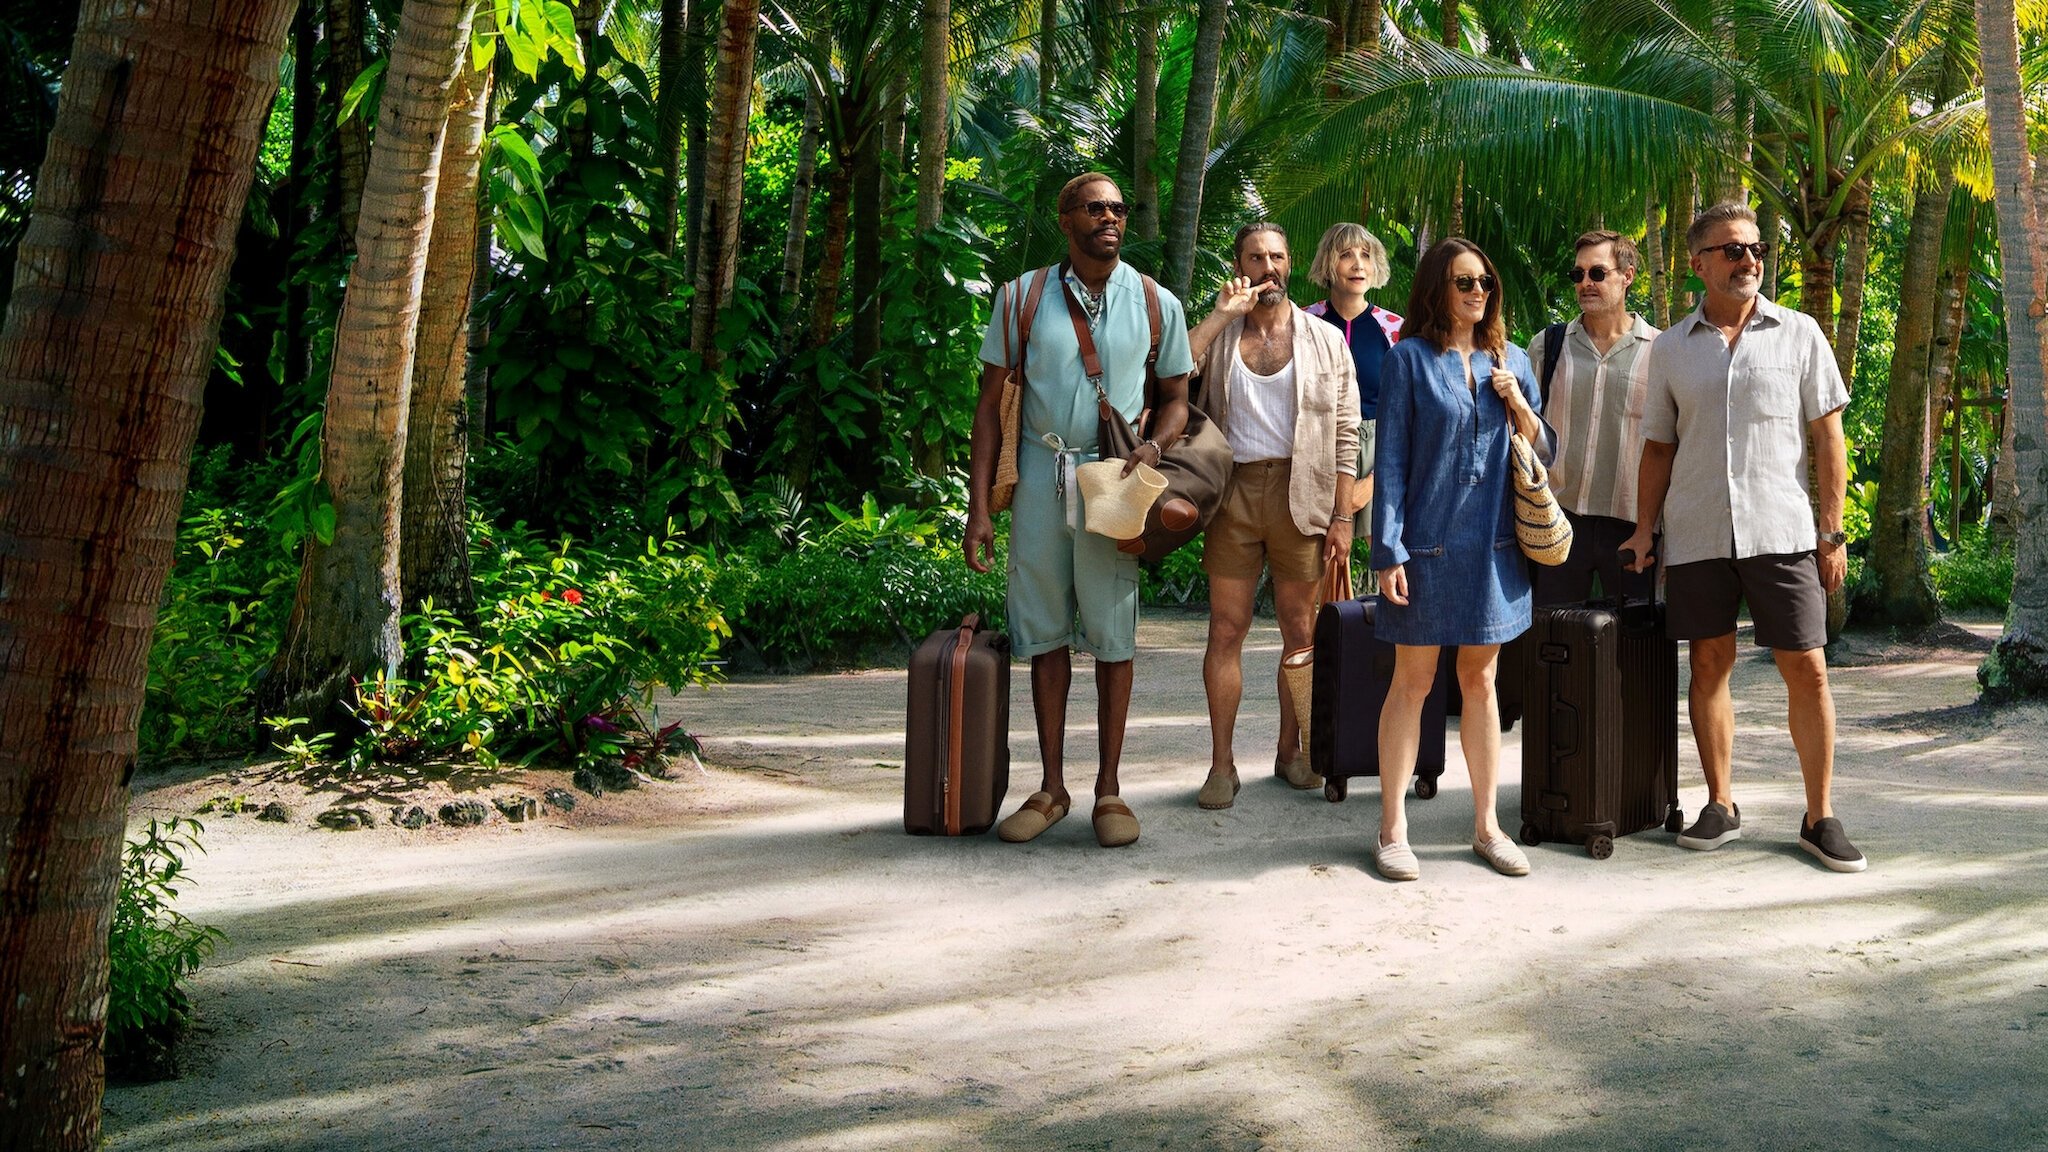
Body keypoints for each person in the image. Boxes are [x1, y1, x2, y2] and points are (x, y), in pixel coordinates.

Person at [1619, 202, 1865, 872]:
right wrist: (1643, 529)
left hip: (1782, 529)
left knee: (1807, 668)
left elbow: (1829, 438)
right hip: (1698, 530)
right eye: (1732, 249)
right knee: (1708, 665)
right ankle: (1721, 803)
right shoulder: (1671, 348)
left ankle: (1820, 816)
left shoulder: (1800, 333)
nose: (1748, 260)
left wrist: (1833, 531)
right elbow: (1658, 448)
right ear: (1698, 263)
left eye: (1756, 249)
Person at [965, 172, 1195, 849]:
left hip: (1113, 479)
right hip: (1041, 472)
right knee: (1043, 635)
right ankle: (1051, 788)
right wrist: (980, 509)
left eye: (1118, 208)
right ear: (1066, 220)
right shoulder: (1021, 297)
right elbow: (988, 408)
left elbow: (1177, 399)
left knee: (1113, 635)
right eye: (1095, 208)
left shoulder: (1155, 302)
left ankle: (1109, 790)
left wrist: (1154, 447)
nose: (1110, 217)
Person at [1371, 238, 1546, 881]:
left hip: (1495, 548)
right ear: (1437, 289)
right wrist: (1387, 550)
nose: (1478, 291)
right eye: (1464, 281)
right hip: (1425, 546)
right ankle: (1392, 828)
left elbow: (1545, 448)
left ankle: (1487, 827)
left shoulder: (1513, 359)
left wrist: (1517, 402)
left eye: (1485, 281)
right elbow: (1391, 459)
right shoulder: (1409, 359)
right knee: (1413, 683)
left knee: (1481, 680)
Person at [1182, 222, 1361, 809]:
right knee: (1226, 628)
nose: (1268, 267)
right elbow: (1170, 373)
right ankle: (1222, 765)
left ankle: (1292, 752)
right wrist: (1220, 316)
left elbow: (1346, 435)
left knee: (1300, 631)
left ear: (1290, 263)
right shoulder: (1221, 334)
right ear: (1239, 266)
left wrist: (1342, 517)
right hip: (1231, 492)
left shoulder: (1324, 339)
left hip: (1301, 491)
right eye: (1256, 257)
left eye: (1277, 256)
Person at [1525, 229, 1660, 605]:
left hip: (1632, 528)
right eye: (1578, 274)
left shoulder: (1660, 351)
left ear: (1627, 276)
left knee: (1635, 637)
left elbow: (1670, 446)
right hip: (1557, 521)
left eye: (1597, 273)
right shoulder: (1547, 346)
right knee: (1552, 634)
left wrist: (1650, 529)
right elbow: (1523, 431)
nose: (1585, 283)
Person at [1303, 224, 1403, 528]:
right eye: (1346, 254)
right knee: (1317, 547)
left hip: (1378, 449)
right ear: (1328, 263)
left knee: (1385, 549)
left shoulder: (1395, 328)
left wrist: (1374, 479)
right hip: (1316, 445)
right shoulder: (1304, 322)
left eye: (1366, 255)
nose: (1358, 264)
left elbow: (1406, 411)